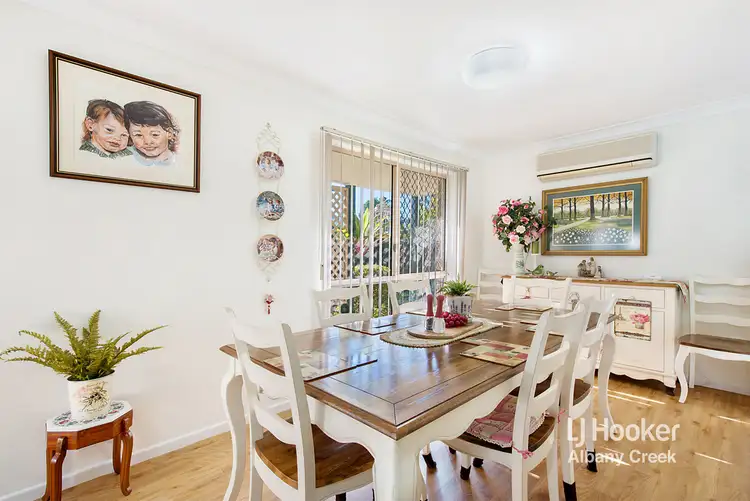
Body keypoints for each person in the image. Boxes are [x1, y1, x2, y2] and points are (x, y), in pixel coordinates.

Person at [124, 101, 180, 166]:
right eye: (138, 135)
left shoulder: (178, 161)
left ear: (169, 133)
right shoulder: (127, 159)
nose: (148, 142)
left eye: (155, 134)